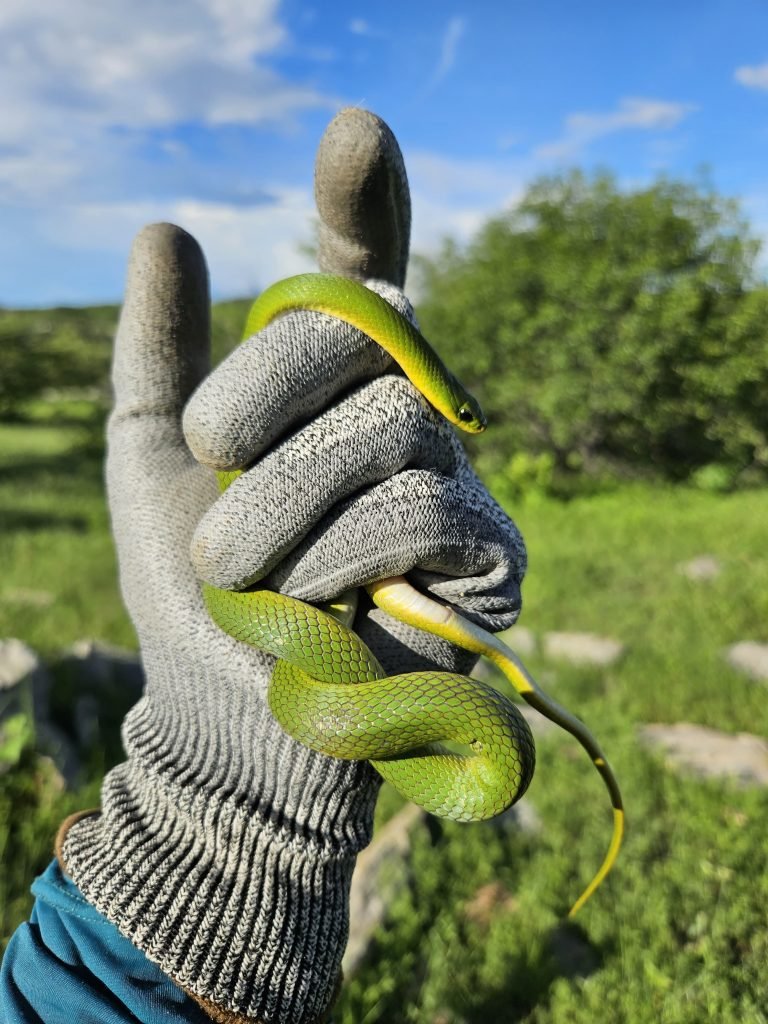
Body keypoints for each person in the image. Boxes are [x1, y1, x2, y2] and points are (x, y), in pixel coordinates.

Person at [0, 108, 527, 1024]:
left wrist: (220, 838)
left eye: (462, 414)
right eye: (464, 413)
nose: (465, 419)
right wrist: (231, 804)